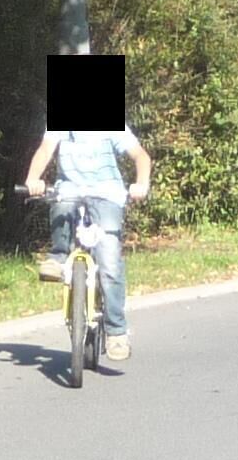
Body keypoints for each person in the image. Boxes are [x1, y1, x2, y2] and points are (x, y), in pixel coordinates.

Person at [19, 114, 152, 370]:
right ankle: (59, 257)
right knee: (61, 206)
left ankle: (116, 332)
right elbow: (45, 150)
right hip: (70, 192)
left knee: (110, 262)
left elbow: (140, 156)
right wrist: (33, 178)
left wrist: (141, 184)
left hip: (106, 195)